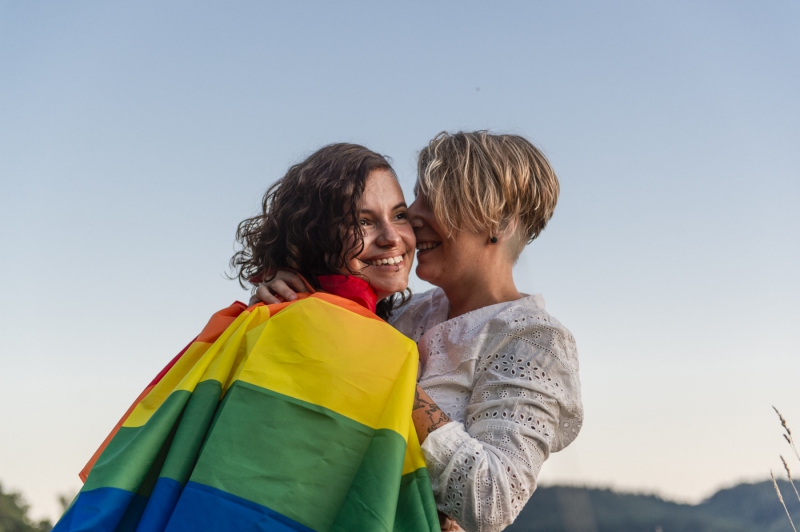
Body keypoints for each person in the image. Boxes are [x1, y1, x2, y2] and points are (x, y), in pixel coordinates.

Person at [57, 143, 440, 532]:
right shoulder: (325, 330)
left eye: (400, 215)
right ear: (317, 235)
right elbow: (261, 501)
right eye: (363, 221)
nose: (393, 237)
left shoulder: (312, 318)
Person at [256, 131, 584, 532]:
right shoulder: (403, 311)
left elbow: (492, 500)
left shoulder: (533, 339)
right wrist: (291, 291)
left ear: (499, 222)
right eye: (418, 196)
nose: (414, 214)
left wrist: (385, 373)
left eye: (437, 201)